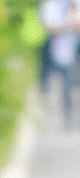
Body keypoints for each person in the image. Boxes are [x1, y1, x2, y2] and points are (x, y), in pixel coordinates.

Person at [40, 0, 80, 128]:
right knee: (66, 87)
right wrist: (69, 25)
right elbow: (50, 28)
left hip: (76, 51)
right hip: (60, 54)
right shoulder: (51, 5)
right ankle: (68, 116)